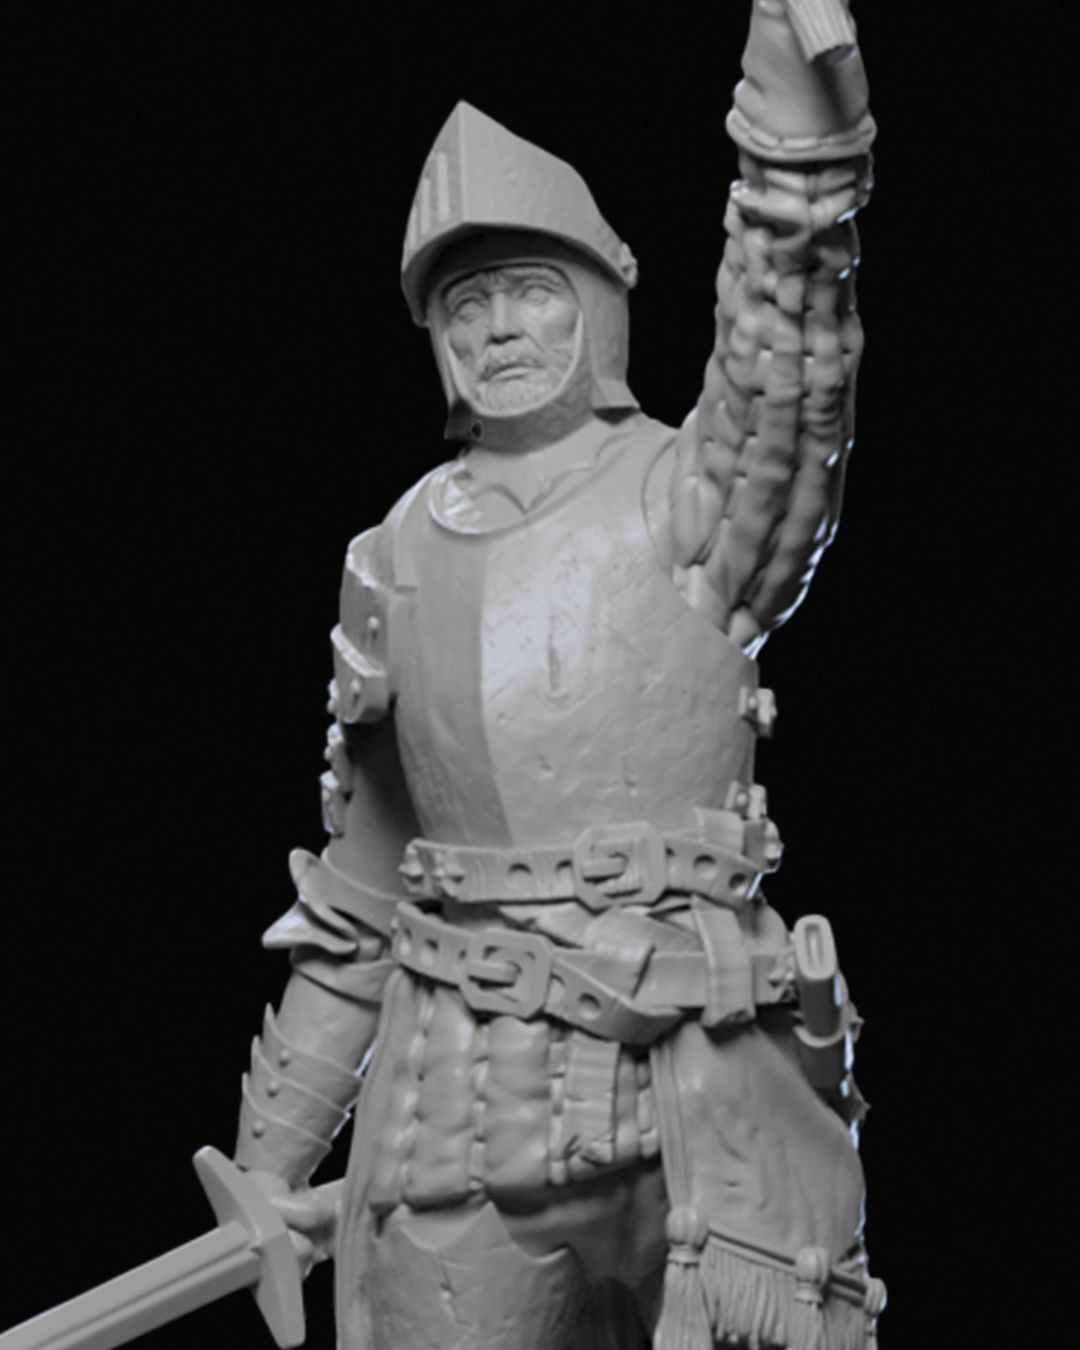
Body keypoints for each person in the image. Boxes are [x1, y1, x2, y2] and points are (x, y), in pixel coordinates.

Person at [233, 3, 886, 1346]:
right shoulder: (392, 556)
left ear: (597, 300)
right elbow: (362, 889)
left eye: (531, 289)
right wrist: (269, 1160)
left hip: (710, 1108)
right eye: (465, 304)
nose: (499, 329)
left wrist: (799, 150)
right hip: (460, 1125)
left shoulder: (692, 500)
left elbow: (784, 372)